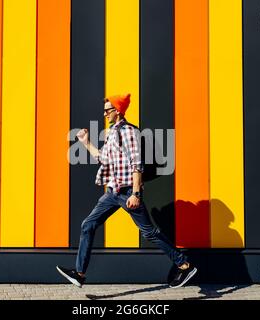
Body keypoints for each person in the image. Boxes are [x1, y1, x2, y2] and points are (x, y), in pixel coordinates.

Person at [56, 93, 197, 288]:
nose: (105, 113)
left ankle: (184, 264)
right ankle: (79, 273)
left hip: (128, 191)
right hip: (112, 192)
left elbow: (137, 165)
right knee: (87, 225)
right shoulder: (113, 131)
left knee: (149, 232)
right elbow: (103, 159)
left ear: (118, 110)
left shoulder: (128, 132)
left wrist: (136, 194)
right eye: (105, 110)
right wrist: (85, 142)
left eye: (108, 110)